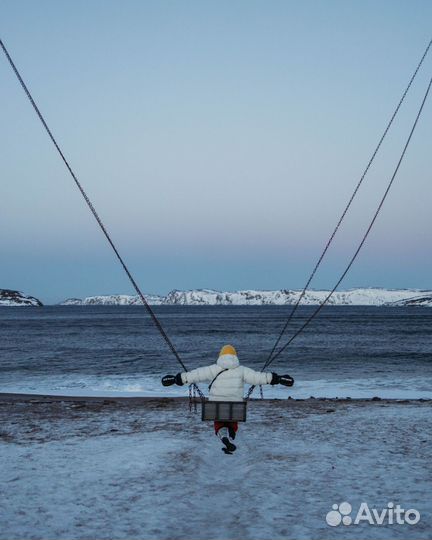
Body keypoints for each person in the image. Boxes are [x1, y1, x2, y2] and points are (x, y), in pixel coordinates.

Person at [161, 344, 294, 454]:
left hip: (215, 405)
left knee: (218, 422)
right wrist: (278, 378)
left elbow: (195, 375)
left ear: (220, 356)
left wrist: (176, 379)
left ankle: (223, 437)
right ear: (235, 357)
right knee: (233, 420)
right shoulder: (242, 370)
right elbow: (258, 377)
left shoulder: (213, 369)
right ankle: (231, 432)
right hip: (235, 406)